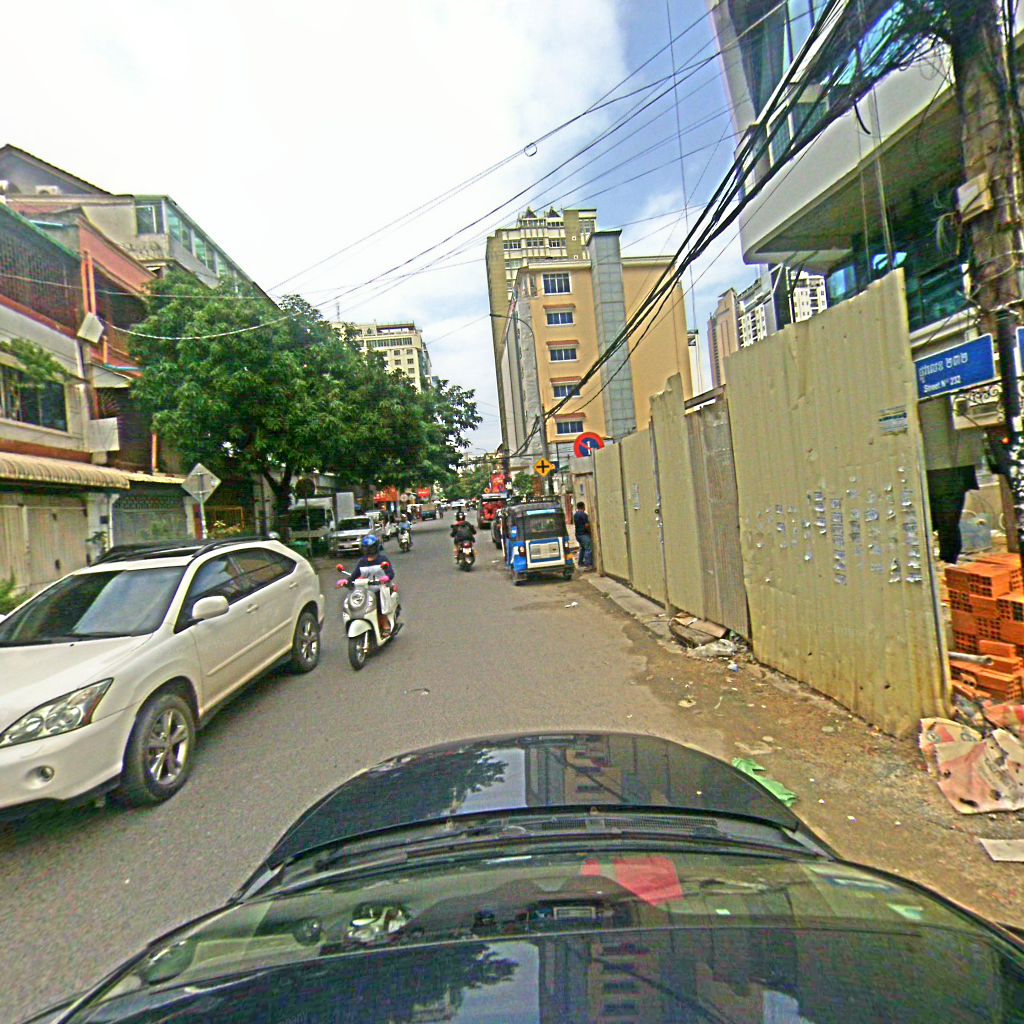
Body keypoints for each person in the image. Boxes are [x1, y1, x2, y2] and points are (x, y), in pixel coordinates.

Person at [339, 534, 396, 633]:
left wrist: (386, 578)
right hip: (365, 589)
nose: (369, 551)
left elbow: (390, 572)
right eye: (366, 548)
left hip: (381, 587)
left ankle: (385, 622)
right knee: (354, 600)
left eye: (371, 548)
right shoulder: (362, 562)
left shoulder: (382, 559)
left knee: (379, 600)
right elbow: (354, 575)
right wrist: (347, 581)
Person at [573, 501, 593, 569]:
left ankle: (580, 563)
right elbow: (586, 525)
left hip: (578, 534)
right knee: (588, 549)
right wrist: (590, 531)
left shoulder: (575, 515)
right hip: (584, 534)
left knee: (582, 548)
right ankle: (588, 565)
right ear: (583, 507)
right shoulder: (583, 514)